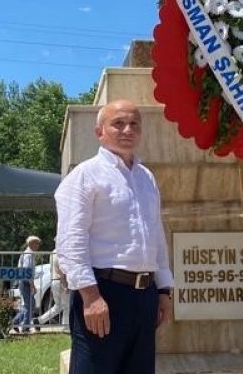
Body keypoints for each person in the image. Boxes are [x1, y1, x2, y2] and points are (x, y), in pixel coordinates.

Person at [54, 99, 174, 374]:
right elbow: (71, 239)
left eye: (134, 124)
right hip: (104, 292)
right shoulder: (85, 175)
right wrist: (90, 296)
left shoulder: (146, 177)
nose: (127, 130)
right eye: (118, 124)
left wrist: (163, 290)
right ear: (100, 132)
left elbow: (155, 234)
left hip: (144, 295)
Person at [13, 235, 42, 334]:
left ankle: (16, 322)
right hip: (25, 282)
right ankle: (25, 327)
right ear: (31, 243)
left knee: (30, 304)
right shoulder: (28, 254)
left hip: (24, 281)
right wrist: (32, 285)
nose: (38, 245)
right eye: (37, 243)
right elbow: (27, 271)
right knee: (29, 305)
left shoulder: (29, 254)